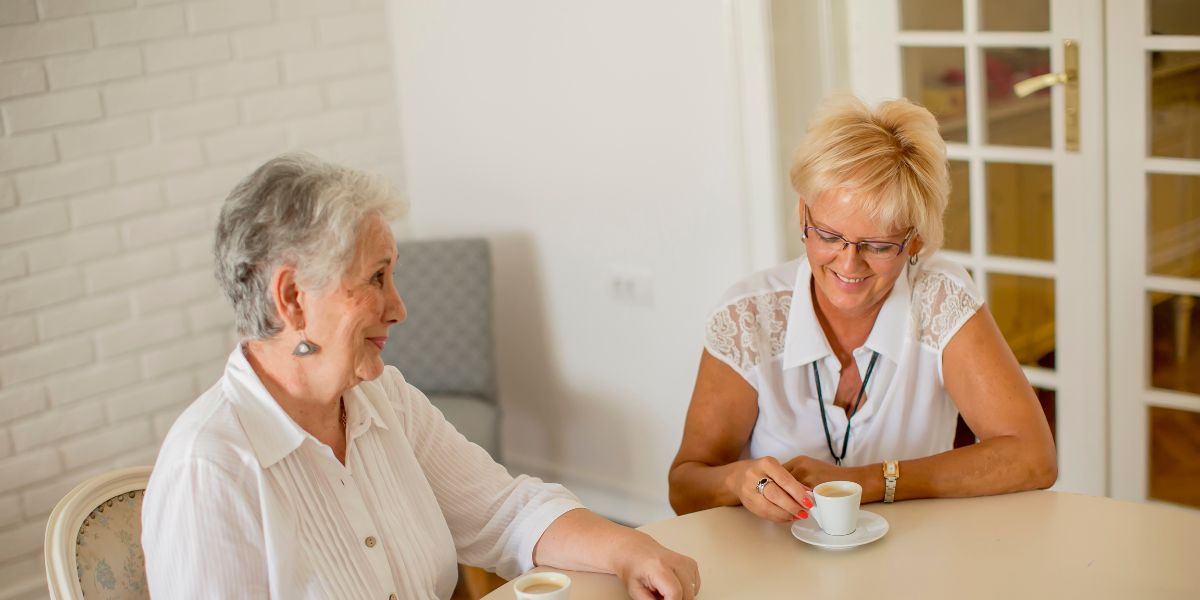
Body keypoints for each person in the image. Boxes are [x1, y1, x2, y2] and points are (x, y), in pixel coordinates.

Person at [142, 153, 700, 599]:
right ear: (292, 298)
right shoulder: (209, 468)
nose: (398, 308)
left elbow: (505, 513)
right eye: (377, 278)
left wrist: (630, 550)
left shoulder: (384, 400)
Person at [668, 96, 1057, 523]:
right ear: (803, 215)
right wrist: (738, 481)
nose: (849, 264)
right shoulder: (748, 316)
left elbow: (1033, 458)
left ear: (916, 241)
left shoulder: (941, 298)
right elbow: (684, 487)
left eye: (877, 245)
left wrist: (868, 481)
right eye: (830, 236)